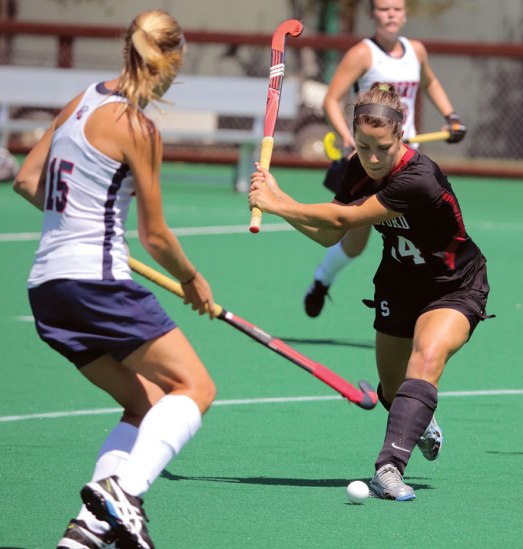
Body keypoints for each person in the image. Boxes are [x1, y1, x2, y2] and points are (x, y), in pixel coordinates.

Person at [12, 10, 216, 548]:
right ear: (168, 62)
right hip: (96, 283)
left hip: (47, 289)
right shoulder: (139, 128)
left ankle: (89, 530)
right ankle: (125, 494)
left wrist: (86, 217)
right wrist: (193, 280)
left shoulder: (82, 99)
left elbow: (27, 180)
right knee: (195, 386)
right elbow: (156, 237)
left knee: (144, 402)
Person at [249, 82, 491, 500]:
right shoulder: (356, 169)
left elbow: (345, 218)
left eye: (382, 147)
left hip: (452, 285)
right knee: (394, 389)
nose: (373, 158)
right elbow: (329, 236)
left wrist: (278, 201)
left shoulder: (419, 179)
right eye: (363, 147)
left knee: (427, 357)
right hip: (397, 285)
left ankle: (388, 469)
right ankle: (419, 418)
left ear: (401, 136)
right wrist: (278, 207)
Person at [304, 0, 466, 318]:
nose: (390, 14)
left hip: (407, 161)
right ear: (372, 14)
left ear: (405, 14)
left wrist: (451, 115)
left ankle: (421, 309)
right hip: (372, 164)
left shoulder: (416, 51)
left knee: (420, 236)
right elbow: (331, 101)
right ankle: (322, 280)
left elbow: (430, 82)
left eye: (396, 8)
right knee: (354, 244)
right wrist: (352, 140)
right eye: (383, 8)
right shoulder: (363, 53)